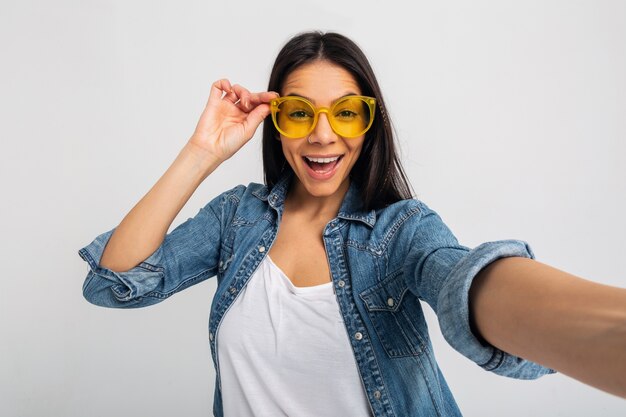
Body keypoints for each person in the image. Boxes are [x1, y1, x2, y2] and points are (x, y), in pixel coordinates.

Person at [78, 31, 626, 416]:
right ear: (276, 124)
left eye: (345, 112)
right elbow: (114, 283)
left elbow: (460, 279)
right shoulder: (237, 218)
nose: (322, 135)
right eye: (299, 113)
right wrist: (203, 150)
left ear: (368, 124)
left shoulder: (401, 231)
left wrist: (592, 331)